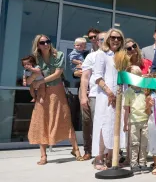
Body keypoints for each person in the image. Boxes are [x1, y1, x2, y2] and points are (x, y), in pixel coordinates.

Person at [28, 34, 83, 165]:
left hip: (57, 91)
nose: (46, 44)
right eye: (42, 43)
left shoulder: (58, 55)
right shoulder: (35, 59)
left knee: (64, 118)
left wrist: (40, 81)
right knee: (41, 120)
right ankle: (43, 155)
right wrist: (32, 82)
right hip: (42, 93)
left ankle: (76, 150)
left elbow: (57, 74)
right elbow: (31, 77)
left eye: (48, 41)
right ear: (38, 45)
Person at [91, 28, 126, 170]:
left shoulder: (122, 56)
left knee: (115, 125)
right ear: (108, 39)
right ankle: (99, 157)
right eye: (113, 37)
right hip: (105, 96)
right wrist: (109, 93)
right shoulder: (101, 54)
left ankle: (112, 158)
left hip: (120, 95)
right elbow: (97, 77)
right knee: (103, 124)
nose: (116, 40)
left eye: (118, 38)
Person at [79, 31, 106, 160]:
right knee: (89, 123)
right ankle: (89, 150)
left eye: (107, 39)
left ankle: (103, 153)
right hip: (94, 95)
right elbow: (85, 77)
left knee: (104, 125)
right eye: (101, 39)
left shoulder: (115, 57)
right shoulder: (91, 56)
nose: (103, 42)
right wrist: (83, 96)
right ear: (97, 42)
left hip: (109, 97)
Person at [123, 65, 151, 175]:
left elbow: (148, 105)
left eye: (138, 76)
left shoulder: (145, 90)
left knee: (144, 143)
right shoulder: (128, 92)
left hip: (145, 120)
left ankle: (143, 163)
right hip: (134, 121)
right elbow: (126, 109)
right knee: (134, 143)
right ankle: (134, 163)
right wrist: (125, 123)